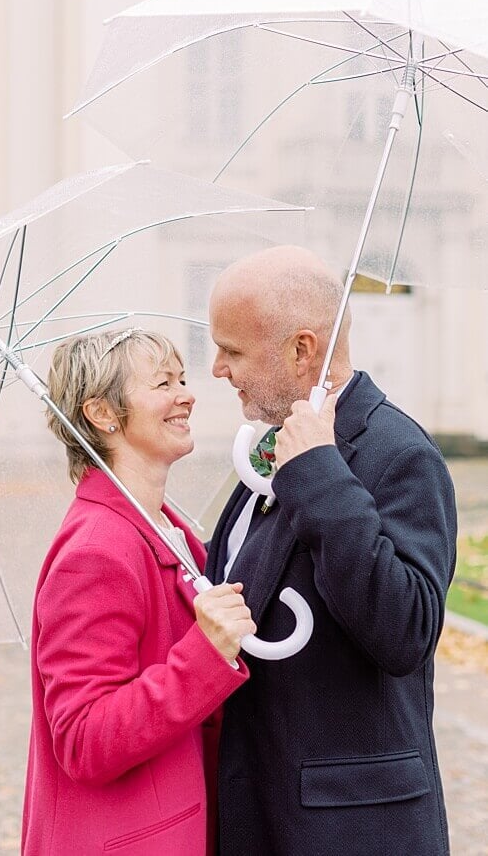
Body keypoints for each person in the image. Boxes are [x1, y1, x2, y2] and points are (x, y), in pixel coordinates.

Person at [205, 245, 457, 854]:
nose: (217, 369)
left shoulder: (401, 455)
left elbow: (406, 630)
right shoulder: (269, 449)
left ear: (302, 350)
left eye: (233, 350)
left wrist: (320, 473)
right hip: (260, 804)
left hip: (350, 826)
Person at [22, 329, 255, 855]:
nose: (186, 394)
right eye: (162, 383)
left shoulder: (167, 529)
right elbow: (83, 738)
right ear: (103, 412)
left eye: (182, 379)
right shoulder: (95, 553)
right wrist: (207, 653)